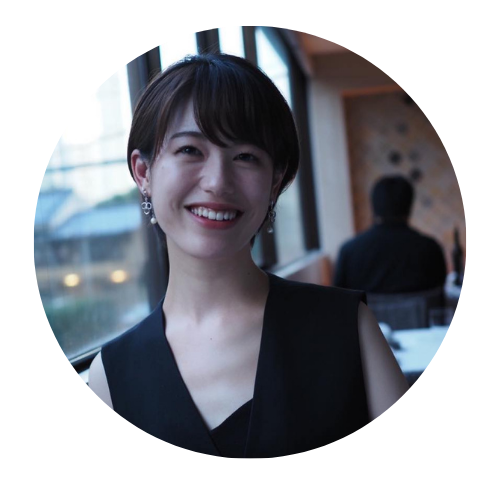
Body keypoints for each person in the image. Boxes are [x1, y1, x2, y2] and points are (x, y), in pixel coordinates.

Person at [88, 53, 408, 458]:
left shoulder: (347, 328)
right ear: (143, 172)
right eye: (190, 150)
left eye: (245, 157)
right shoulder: (111, 376)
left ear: (275, 182)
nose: (217, 182)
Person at [334, 175, 447, 293]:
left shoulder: (348, 251)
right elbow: (440, 293)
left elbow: (339, 298)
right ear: (409, 207)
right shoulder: (431, 248)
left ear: (373, 206)